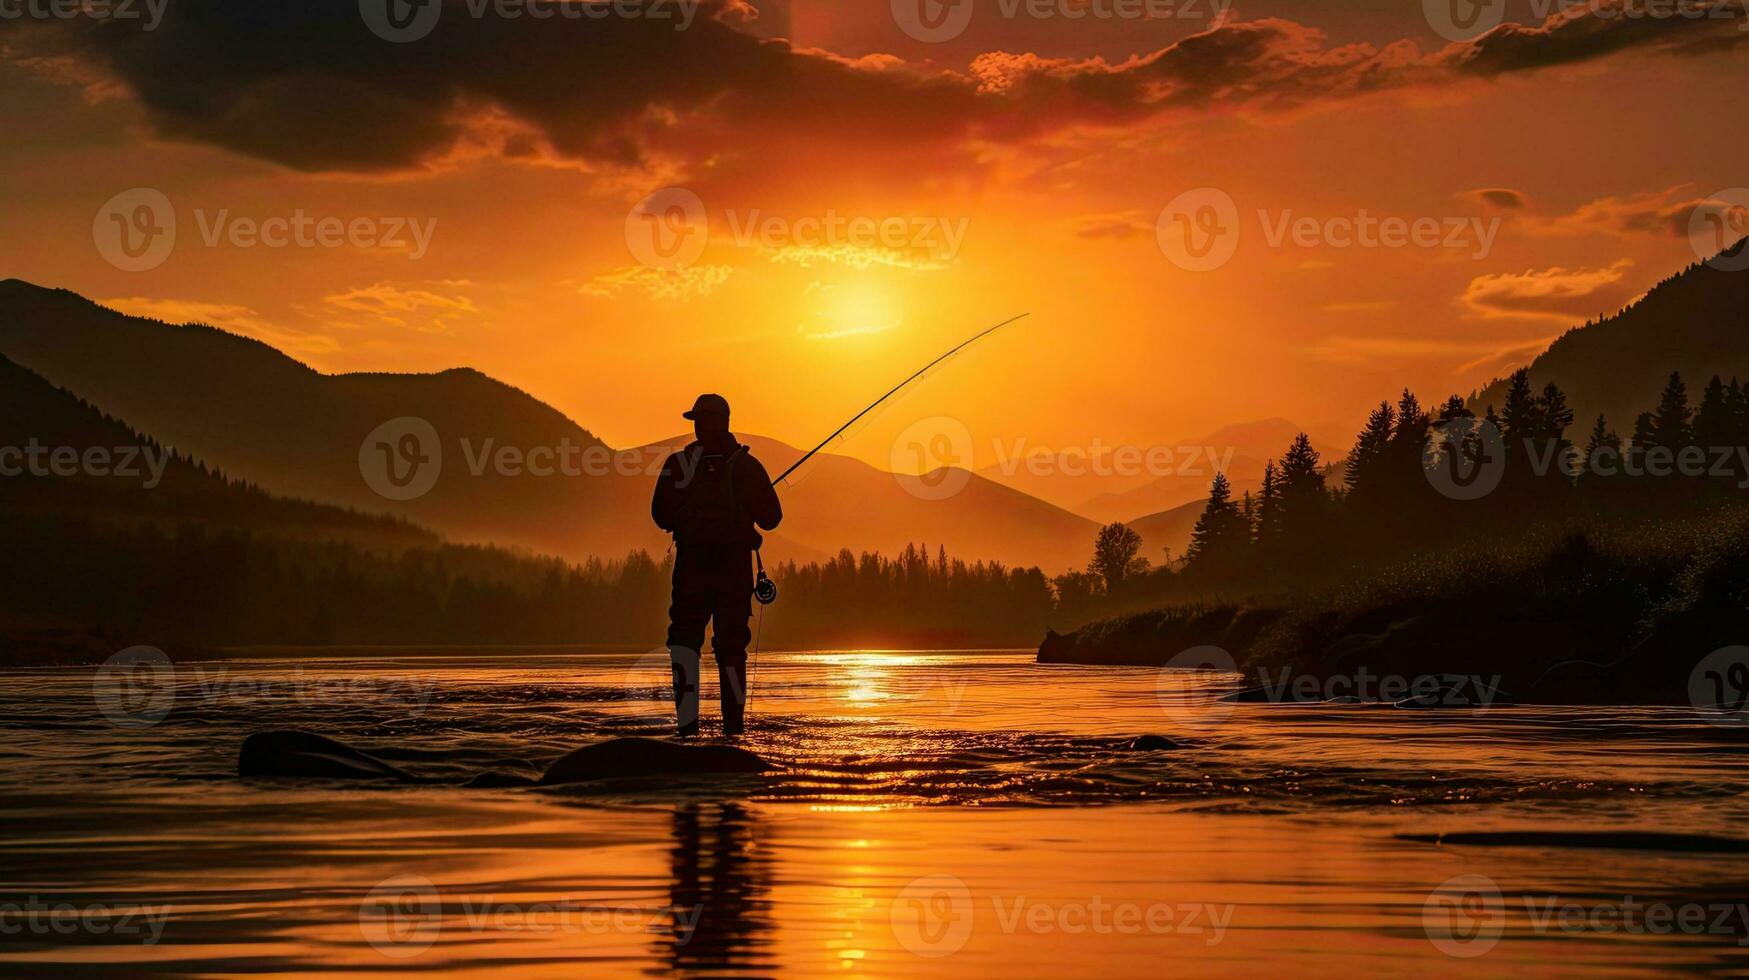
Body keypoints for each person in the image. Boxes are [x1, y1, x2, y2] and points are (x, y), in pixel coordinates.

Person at [652, 394, 783, 737]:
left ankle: (687, 730)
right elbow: (771, 519)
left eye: (699, 419)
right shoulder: (746, 467)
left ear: (712, 422)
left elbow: (659, 516)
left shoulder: (678, 465)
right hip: (732, 572)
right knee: (731, 649)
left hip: (691, 570)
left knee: (683, 645)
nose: (696, 425)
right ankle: (734, 731)